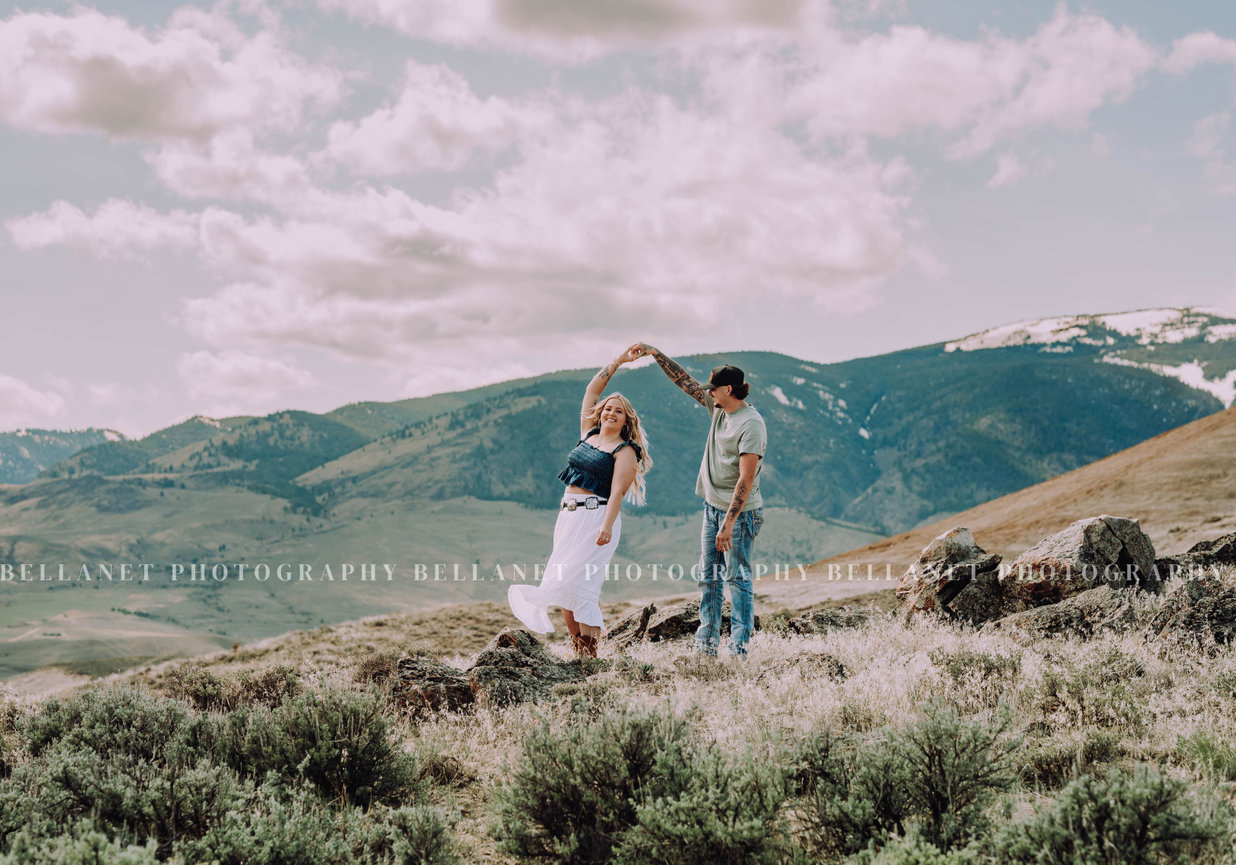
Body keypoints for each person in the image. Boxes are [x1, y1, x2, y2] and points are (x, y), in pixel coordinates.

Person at [508, 347, 652, 658]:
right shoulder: (588, 434)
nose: (610, 413)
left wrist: (607, 526)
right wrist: (618, 362)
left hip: (595, 519)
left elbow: (617, 493)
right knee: (564, 590)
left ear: (627, 420)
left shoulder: (625, 450)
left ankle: (590, 657)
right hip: (568, 518)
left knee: (582, 589)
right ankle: (580, 656)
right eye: (607, 408)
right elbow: (592, 390)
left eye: (618, 411)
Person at [633, 343, 766, 657]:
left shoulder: (751, 425)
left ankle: (739, 649)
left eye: (714, 389)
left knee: (737, 578)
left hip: (740, 514)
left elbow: (746, 479)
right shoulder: (718, 410)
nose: (709, 394)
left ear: (729, 389)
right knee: (709, 578)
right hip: (712, 507)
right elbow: (686, 383)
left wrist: (728, 524)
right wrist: (655, 354)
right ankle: (705, 646)